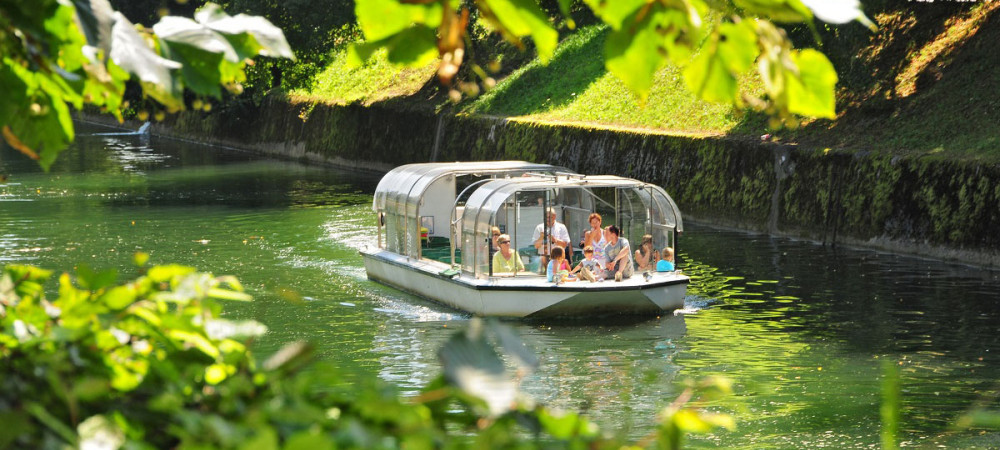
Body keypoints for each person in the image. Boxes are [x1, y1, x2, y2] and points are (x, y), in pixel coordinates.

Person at [532, 207, 570, 272]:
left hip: (558, 258)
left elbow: (565, 244)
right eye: (546, 217)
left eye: (549, 217)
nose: (547, 219)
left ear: (554, 216)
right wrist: (541, 237)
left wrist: (555, 240)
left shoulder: (561, 227)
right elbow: (536, 246)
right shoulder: (539, 227)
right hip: (544, 258)